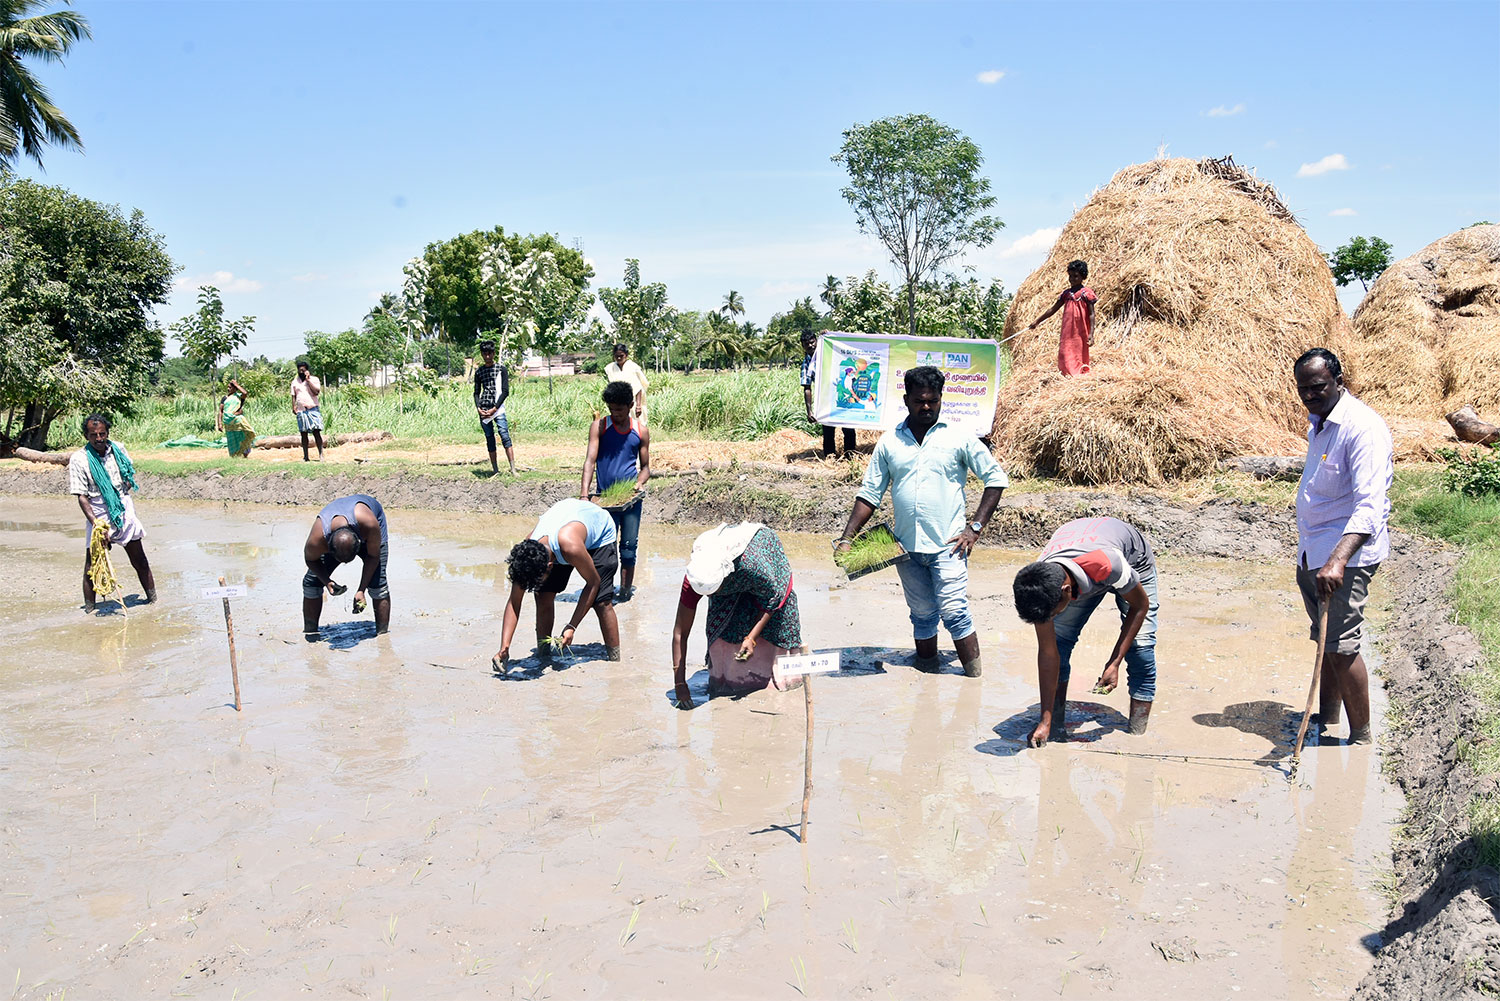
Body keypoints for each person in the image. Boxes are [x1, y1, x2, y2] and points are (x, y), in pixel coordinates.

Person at [836, 366, 1008, 679]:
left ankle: (974, 681)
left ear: (941, 399)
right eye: (919, 401)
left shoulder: (959, 438)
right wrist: (848, 538)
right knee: (922, 615)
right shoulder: (890, 443)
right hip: (904, 548)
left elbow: (995, 479)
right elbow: (869, 495)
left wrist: (976, 527)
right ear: (906, 400)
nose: (926, 406)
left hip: (949, 546)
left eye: (932, 400)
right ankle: (926, 675)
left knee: (955, 612)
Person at [1293, 347, 1392, 746]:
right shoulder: (1320, 423)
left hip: (1344, 557)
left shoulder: (1362, 428)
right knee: (1326, 639)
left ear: (1338, 380)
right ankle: (1327, 719)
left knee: (1342, 645)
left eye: (1317, 387)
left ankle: (1362, 737)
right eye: (1302, 389)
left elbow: (1371, 505)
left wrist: (1337, 560)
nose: (1309, 396)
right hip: (1314, 551)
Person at [1012, 517, 1160, 747]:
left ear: (1067, 592)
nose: (1048, 620)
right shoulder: (1040, 585)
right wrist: (1044, 721)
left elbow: (1140, 606)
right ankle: (1055, 727)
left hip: (1130, 559)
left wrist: (1115, 661)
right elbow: (1049, 654)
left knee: (1140, 647)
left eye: (1051, 614)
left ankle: (1138, 734)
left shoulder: (1107, 564)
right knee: (1059, 645)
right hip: (1079, 556)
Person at [671, 523, 805, 709]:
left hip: (762, 560)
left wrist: (751, 637)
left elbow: (771, 599)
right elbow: (680, 633)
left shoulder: (753, 567)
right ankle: (728, 681)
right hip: (730, 577)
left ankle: (777, 679)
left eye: (712, 592)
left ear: (724, 579)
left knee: (779, 623)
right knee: (724, 627)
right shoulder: (697, 577)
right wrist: (679, 684)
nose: (708, 597)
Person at [493, 498, 622, 670]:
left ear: (550, 566)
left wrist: (572, 626)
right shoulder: (527, 554)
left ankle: (615, 660)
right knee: (542, 594)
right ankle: (544, 655)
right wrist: (504, 646)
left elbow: (593, 582)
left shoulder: (570, 546)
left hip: (599, 535)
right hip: (565, 522)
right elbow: (514, 602)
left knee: (601, 602)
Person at [70, 414, 156, 611]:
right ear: (86, 436)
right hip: (98, 510)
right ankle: (90, 609)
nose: (99, 439)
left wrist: (120, 494)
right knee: (93, 566)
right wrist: (96, 523)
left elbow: (128, 472)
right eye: (94, 435)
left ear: (107, 433)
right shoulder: (79, 459)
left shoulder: (118, 448)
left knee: (139, 559)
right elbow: (82, 496)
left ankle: (153, 601)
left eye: (102, 434)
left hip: (123, 507)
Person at [582, 380, 651, 602]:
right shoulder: (600, 427)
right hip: (604, 499)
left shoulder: (640, 431)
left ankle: (624, 592)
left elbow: (646, 468)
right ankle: (603, 591)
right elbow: (590, 460)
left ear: (630, 405)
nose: (615, 414)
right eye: (612, 409)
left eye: (619, 410)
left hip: (630, 500)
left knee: (629, 546)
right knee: (605, 547)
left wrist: (639, 483)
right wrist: (585, 495)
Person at [302, 493, 390, 636]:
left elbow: (373, 557)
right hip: (338, 536)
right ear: (328, 547)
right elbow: (311, 560)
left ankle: (383, 635)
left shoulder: (370, 524)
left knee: (377, 582)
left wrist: (361, 590)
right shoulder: (318, 538)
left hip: (369, 527)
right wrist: (326, 581)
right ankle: (310, 632)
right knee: (311, 582)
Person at [1026, 259, 1097, 376]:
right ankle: (1067, 373)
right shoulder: (1066, 294)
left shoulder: (1086, 293)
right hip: (1067, 330)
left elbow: (1091, 314)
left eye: (1076, 276)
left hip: (1081, 330)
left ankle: (1078, 374)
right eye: (1070, 276)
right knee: (1065, 350)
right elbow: (1052, 309)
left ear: (1083, 276)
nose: (1072, 279)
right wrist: (1037, 321)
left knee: (1079, 350)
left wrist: (1091, 333)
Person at [801, 329, 855, 458]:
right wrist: (809, 411)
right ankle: (830, 458)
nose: (810, 346)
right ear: (803, 346)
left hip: (842, 396)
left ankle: (850, 457)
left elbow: (844, 344)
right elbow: (807, 387)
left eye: (812, 342)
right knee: (828, 432)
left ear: (817, 342)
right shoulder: (806, 363)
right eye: (806, 344)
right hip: (825, 402)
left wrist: (831, 334)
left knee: (848, 429)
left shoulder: (830, 352)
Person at [473, 340, 514, 475]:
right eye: (485, 354)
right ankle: (495, 470)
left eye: (490, 353)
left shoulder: (501, 370)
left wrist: (495, 409)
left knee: (504, 436)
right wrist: (478, 407)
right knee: (490, 438)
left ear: (494, 353)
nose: (487, 356)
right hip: (484, 409)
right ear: (482, 354)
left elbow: (505, 391)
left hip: (498, 408)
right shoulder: (479, 372)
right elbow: (476, 392)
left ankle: (512, 469)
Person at [290, 359, 325, 462]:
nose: (301, 372)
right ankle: (306, 456)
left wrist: (308, 380)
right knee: (303, 434)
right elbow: (293, 395)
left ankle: (321, 455)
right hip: (301, 411)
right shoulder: (295, 382)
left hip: (313, 409)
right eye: (299, 370)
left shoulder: (314, 379)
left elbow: (316, 392)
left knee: (316, 432)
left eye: (303, 370)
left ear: (307, 371)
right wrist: (293, 406)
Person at [604, 343, 649, 422]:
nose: (619, 358)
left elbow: (638, 387)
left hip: (632, 402)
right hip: (618, 404)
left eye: (621, 356)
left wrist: (638, 405)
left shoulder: (632, 367)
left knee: (636, 425)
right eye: (616, 356)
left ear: (626, 355)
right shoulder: (610, 368)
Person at [222, 379, 255, 458]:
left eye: (230, 387)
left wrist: (236, 384)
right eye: (228, 387)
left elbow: (245, 393)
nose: (228, 389)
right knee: (232, 437)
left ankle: (245, 452)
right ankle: (234, 455)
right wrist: (219, 423)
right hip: (228, 421)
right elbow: (221, 411)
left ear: (235, 389)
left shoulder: (238, 396)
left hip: (237, 419)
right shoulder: (225, 398)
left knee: (246, 433)